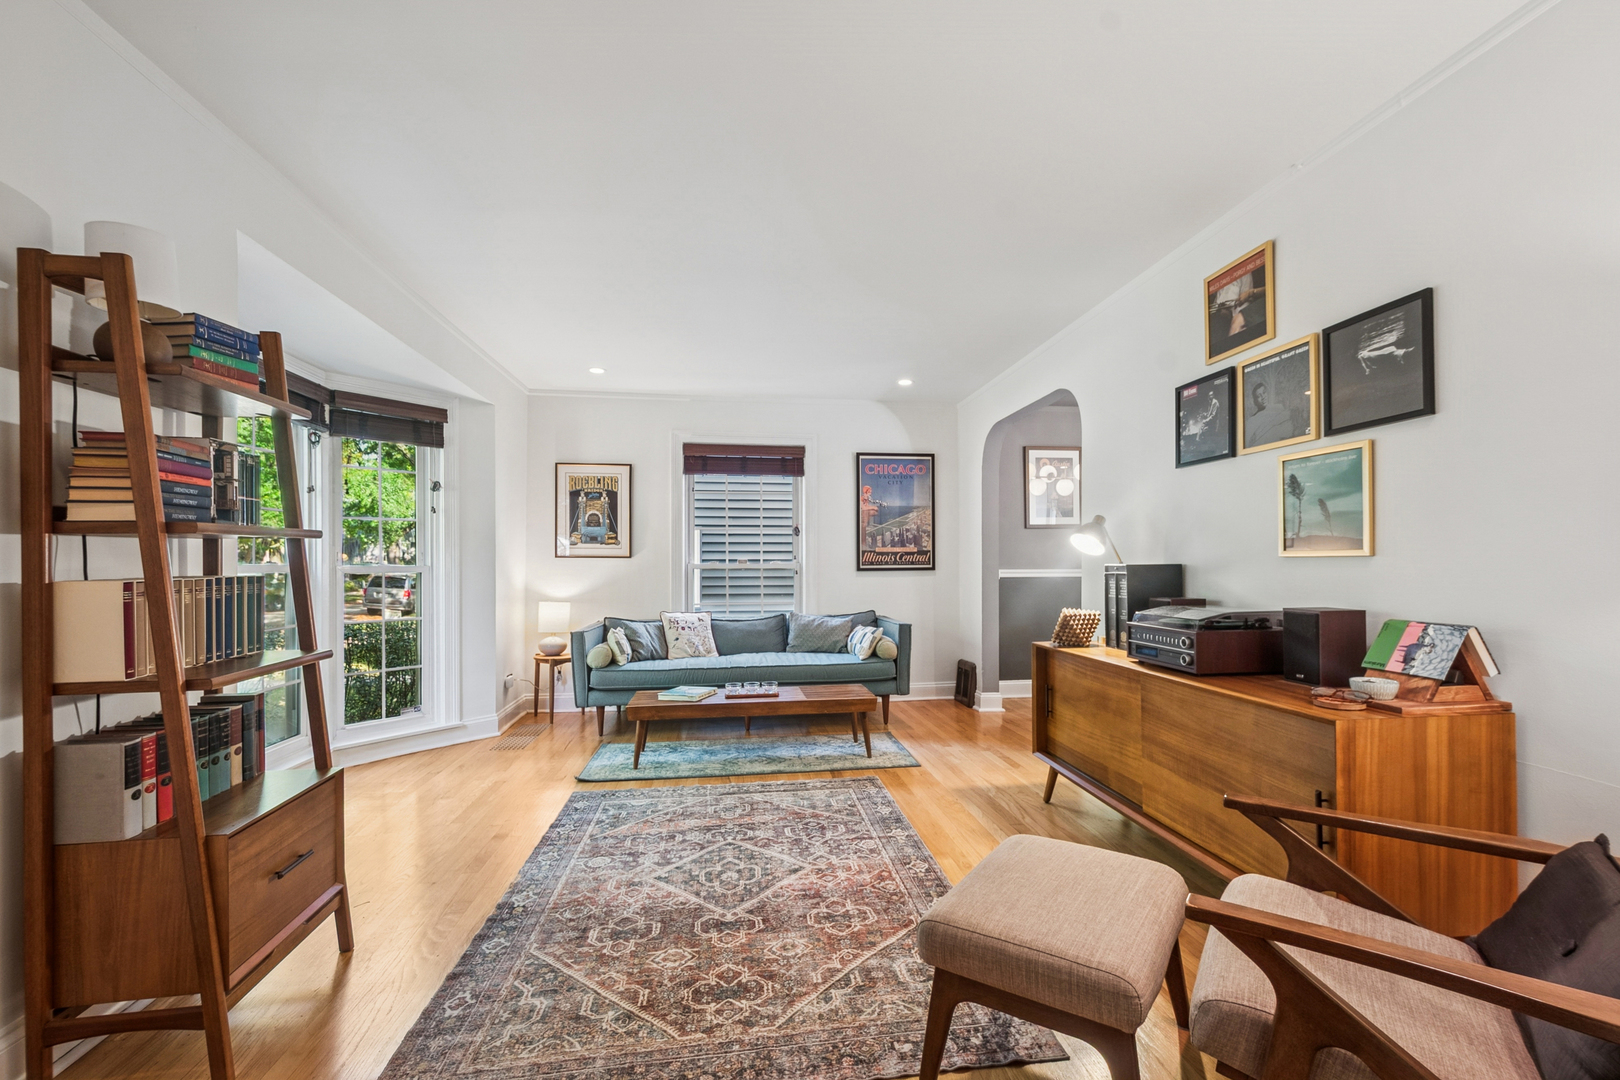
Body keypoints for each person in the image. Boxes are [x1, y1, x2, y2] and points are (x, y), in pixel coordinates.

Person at [1245, 379, 1295, 447]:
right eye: (1259, 396)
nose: (1263, 397)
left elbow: (1289, 430)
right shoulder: (1252, 420)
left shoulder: (1280, 409)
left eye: (1264, 392)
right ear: (1255, 401)